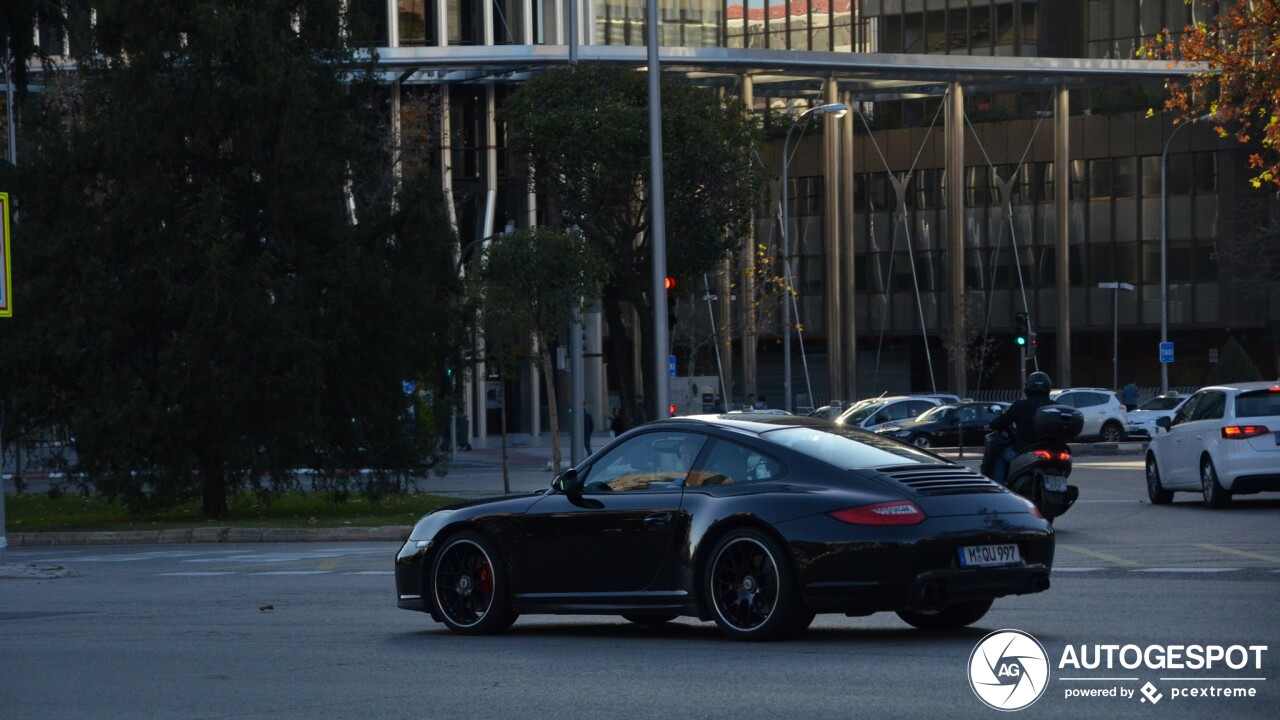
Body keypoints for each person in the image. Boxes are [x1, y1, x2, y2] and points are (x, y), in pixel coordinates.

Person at [986, 371, 1055, 485]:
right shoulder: (1055, 405)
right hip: (1052, 452)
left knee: (999, 453)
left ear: (1028, 387)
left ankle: (1000, 487)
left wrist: (992, 424)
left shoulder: (1021, 406)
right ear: (1048, 387)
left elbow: (1000, 423)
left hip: (1024, 452)